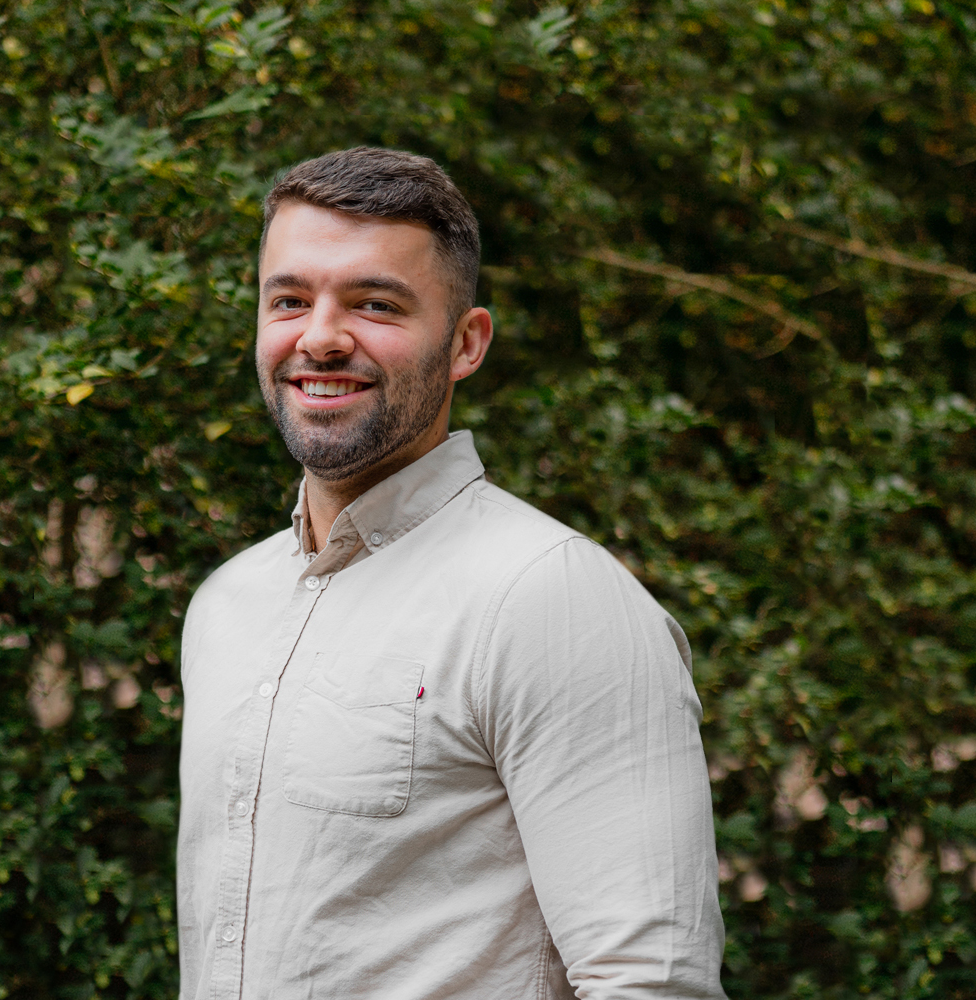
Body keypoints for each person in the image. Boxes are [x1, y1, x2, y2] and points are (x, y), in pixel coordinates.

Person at [176, 147, 726, 1000]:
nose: (319, 337)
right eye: (289, 300)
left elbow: (649, 981)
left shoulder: (550, 598)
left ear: (466, 344)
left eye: (374, 303)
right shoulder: (228, 605)